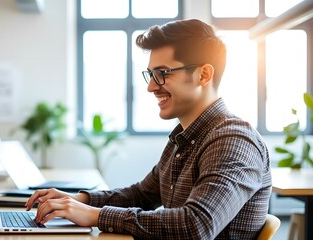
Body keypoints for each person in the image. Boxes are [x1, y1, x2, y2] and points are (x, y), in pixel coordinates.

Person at [25, 19, 272, 239]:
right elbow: (142, 195)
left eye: (162, 73)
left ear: (203, 75)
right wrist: (79, 200)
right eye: (151, 74)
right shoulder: (182, 138)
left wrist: (96, 215)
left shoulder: (234, 140)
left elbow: (196, 225)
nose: (151, 87)